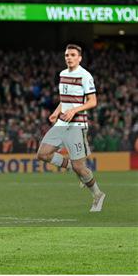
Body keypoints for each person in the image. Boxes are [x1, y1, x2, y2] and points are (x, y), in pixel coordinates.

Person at [36, 44, 105, 212]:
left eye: (73, 55)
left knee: (80, 167)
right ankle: (69, 166)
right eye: (67, 55)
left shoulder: (85, 76)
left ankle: (97, 194)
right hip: (62, 123)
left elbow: (92, 101)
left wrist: (74, 110)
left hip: (77, 125)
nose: (69, 57)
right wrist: (56, 112)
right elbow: (65, 100)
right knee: (43, 154)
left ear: (79, 58)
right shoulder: (63, 74)